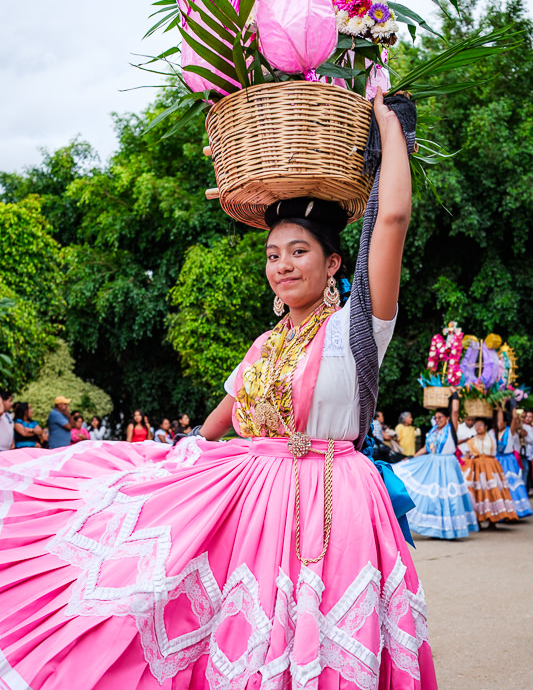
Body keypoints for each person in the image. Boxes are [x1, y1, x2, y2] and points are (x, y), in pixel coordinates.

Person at [0, 90, 437, 688]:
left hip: (333, 500)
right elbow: (223, 416)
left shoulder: (356, 328)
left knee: (323, 636)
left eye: (299, 252)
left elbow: (391, 220)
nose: (282, 265)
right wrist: (177, 459)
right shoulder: (265, 344)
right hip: (252, 506)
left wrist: (388, 127)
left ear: (334, 263)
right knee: (222, 629)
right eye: (273, 254)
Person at [392, 408, 478, 539]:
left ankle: (451, 530)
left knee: (449, 497)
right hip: (433, 465)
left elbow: (455, 411)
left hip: (447, 465)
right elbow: (426, 448)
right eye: (436, 418)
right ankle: (435, 530)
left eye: (440, 417)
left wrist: (454, 397)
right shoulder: (433, 431)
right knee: (434, 497)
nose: (437, 420)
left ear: (447, 418)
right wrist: (412, 457)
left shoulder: (451, 429)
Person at [461, 418, 517, 527]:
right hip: (476, 467)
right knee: (478, 493)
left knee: (493, 491)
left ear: (486, 427)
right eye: (476, 425)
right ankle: (478, 520)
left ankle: (493, 520)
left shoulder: (492, 437)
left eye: (480, 425)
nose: (478, 427)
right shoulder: (471, 441)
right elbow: (467, 455)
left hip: (491, 467)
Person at [493, 404, 532, 517]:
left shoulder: (509, 431)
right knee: (498, 486)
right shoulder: (493, 433)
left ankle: (515, 510)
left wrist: (512, 405)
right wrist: (498, 407)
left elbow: (515, 417)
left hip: (508, 461)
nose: (499, 423)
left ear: (505, 423)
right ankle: (500, 511)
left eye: (501, 421)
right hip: (497, 461)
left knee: (511, 486)